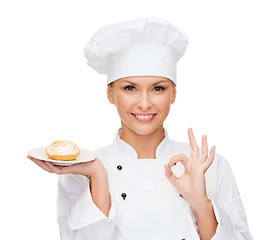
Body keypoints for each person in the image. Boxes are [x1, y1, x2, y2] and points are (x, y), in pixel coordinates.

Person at [28, 17, 253, 240]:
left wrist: (200, 203)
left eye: (158, 88)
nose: (144, 103)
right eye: (130, 88)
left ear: (173, 93)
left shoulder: (211, 167)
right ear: (110, 93)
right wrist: (98, 175)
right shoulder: (81, 172)